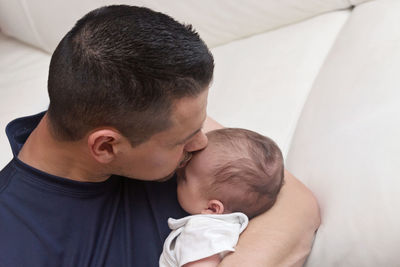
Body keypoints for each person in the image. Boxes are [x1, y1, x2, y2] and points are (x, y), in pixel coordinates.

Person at [0, 5, 320, 267]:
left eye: (199, 126)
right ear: (107, 145)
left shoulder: (145, 115)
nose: (202, 142)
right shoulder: (17, 243)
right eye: (184, 139)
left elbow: (296, 204)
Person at [160, 128, 285, 267]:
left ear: (212, 208)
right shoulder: (229, 228)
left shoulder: (202, 232)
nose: (179, 169)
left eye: (184, 178)